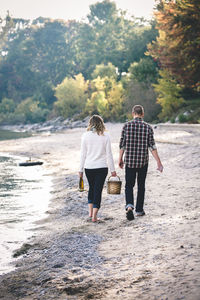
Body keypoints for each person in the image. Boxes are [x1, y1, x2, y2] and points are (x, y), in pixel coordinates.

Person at [119, 105, 163, 221]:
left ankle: (129, 205)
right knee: (141, 185)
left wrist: (120, 158)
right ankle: (139, 210)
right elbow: (152, 147)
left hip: (130, 161)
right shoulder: (148, 127)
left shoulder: (126, 126)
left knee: (129, 185)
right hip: (143, 162)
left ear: (133, 113)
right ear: (142, 114)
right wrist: (159, 162)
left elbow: (122, 145)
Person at [79, 115, 116, 222]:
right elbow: (109, 154)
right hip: (101, 167)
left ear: (90, 124)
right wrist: (113, 170)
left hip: (88, 167)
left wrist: (80, 170)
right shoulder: (106, 136)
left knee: (91, 188)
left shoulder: (85, 135)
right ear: (101, 123)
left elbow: (83, 154)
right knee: (98, 190)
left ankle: (90, 213)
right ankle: (94, 216)